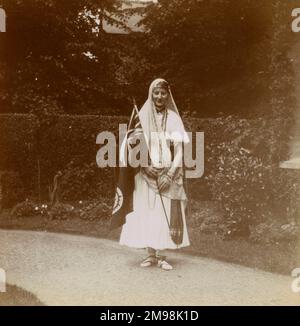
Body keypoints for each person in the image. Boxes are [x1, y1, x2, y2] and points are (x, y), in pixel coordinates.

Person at [119, 78, 190, 271]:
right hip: (146, 174)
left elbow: (180, 151)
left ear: (168, 96)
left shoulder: (174, 119)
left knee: (163, 212)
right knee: (147, 212)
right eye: (156, 93)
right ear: (151, 94)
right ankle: (150, 254)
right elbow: (132, 145)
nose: (159, 96)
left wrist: (170, 174)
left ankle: (162, 255)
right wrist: (143, 166)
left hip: (168, 172)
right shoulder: (141, 116)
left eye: (163, 93)